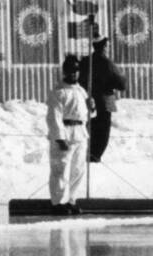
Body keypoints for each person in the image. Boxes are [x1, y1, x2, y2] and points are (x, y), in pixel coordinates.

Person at [46, 54, 91, 216]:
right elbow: (54, 117)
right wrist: (59, 137)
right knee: (61, 168)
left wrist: (91, 107)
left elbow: (85, 115)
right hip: (65, 132)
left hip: (80, 132)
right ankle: (58, 202)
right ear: (65, 72)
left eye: (76, 71)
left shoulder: (81, 91)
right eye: (71, 71)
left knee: (78, 169)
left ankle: (71, 199)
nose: (74, 74)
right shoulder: (58, 93)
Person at [77, 36, 127, 164]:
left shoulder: (85, 62)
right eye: (108, 46)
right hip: (105, 103)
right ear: (104, 47)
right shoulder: (108, 64)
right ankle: (95, 158)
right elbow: (122, 85)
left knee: (89, 130)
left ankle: (87, 156)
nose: (108, 48)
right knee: (102, 134)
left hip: (87, 101)